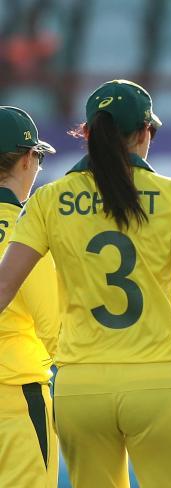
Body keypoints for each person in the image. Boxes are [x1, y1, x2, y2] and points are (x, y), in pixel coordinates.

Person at [0, 79, 171, 488]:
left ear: (88, 134)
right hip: (157, 381)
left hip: (80, 389)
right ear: (144, 132)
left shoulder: (48, 199)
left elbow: (4, 288)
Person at [0, 106, 59, 487]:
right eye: (38, 157)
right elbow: (56, 330)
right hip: (16, 399)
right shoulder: (28, 234)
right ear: (26, 159)